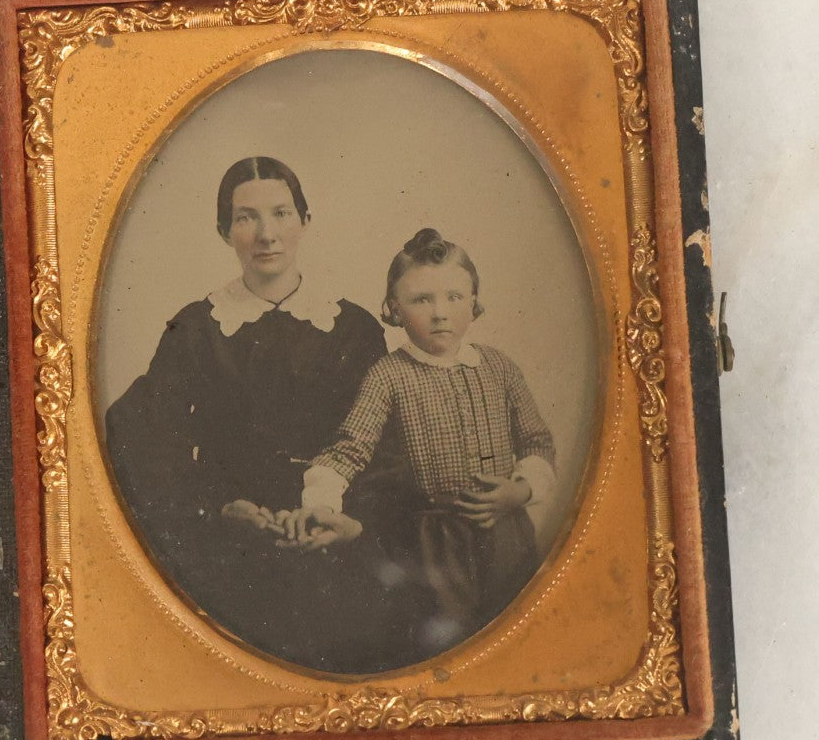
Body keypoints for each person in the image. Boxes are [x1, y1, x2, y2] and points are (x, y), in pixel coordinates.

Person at [104, 156, 415, 673]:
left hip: (336, 531)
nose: (266, 234)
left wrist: (348, 521)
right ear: (225, 230)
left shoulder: (353, 328)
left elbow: (386, 443)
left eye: (281, 213)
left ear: (304, 222)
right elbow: (142, 435)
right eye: (247, 217)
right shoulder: (198, 327)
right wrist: (217, 509)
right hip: (233, 539)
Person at [284, 227, 557, 653]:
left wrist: (520, 491)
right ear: (394, 308)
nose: (440, 313)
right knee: (450, 644)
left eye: (453, 297)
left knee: (518, 638)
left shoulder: (500, 368)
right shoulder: (388, 376)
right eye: (421, 300)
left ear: (474, 302)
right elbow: (348, 449)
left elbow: (537, 441)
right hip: (433, 546)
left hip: (508, 534)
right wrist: (320, 505)